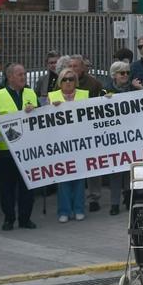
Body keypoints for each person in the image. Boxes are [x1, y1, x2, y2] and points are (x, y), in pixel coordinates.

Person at [0, 63, 38, 230]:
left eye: (24, 74)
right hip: (6, 151)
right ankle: (9, 219)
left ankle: (25, 219)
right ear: (10, 77)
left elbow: (42, 118)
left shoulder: (31, 93)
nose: (23, 77)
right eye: (20, 74)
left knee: (27, 186)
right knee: (7, 187)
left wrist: (36, 110)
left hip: (28, 149)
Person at [47, 67, 89, 222]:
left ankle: (78, 208)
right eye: (65, 79)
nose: (68, 82)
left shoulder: (84, 95)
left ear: (76, 81)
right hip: (61, 144)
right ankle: (64, 211)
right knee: (63, 178)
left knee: (79, 178)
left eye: (71, 79)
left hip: (80, 142)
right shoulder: (52, 96)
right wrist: (50, 109)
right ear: (60, 82)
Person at [69, 54, 105, 211]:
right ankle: (73, 199)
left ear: (83, 67)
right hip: (70, 133)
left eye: (75, 66)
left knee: (92, 166)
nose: (72, 69)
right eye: (70, 66)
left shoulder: (94, 83)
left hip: (89, 131)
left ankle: (94, 198)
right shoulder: (63, 82)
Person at [105, 60, 137, 214]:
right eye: (122, 73)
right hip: (114, 137)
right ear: (114, 75)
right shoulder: (105, 91)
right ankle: (114, 204)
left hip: (132, 135)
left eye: (127, 73)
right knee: (116, 171)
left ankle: (130, 200)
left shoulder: (134, 89)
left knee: (131, 170)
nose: (125, 76)